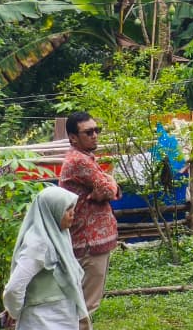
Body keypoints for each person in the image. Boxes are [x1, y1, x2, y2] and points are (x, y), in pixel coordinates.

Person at [59, 111, 119, 330]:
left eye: (96, 130)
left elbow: (105, 189)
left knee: (83, 301)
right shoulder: (79, 161)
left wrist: (107, 187)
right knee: (85, 303)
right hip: (88, 242)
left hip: (91, 241)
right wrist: (111, 184)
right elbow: (107, 189)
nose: (95, 135)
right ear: (73, 137)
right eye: (88, 132)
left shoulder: (84, 158)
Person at [2, 186, 87, 330]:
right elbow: (14, 288)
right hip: (43, 320)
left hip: (61, 315)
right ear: (52, 210)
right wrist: (14, 312)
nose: (73, 213)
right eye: (67, 209)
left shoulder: (58, 235)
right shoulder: (38, 244)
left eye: (72, 208)